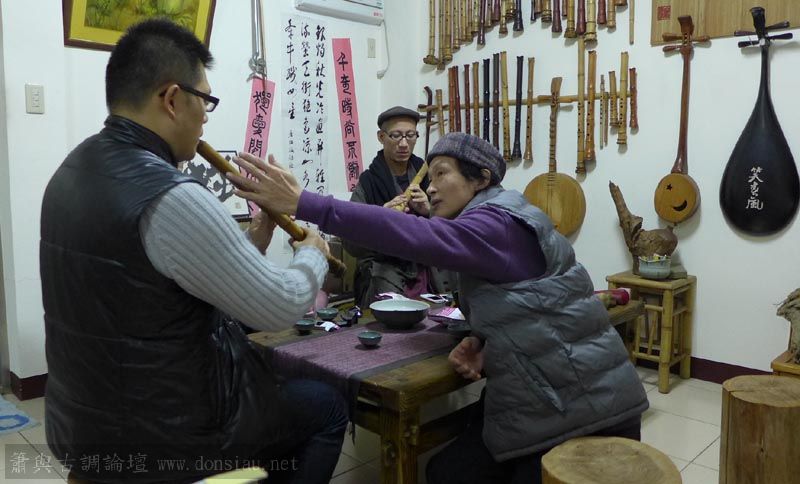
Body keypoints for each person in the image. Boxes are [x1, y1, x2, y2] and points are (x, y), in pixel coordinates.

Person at [227, 132, 650, 484]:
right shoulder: (502, 218)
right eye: (429, 176)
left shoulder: (496, 224)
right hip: (550, 394)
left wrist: (305, 203)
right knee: (447, 471)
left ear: (481, 179)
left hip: (582, 409)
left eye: (442, 173)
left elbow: (413, 235)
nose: (430, 187)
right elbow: (528, 304)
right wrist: (482, 340)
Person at [40, 19, 347, 484]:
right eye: (205, 101)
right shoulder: (171, 196)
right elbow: (280, 306)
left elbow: (157, 283)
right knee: (326, 406)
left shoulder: (72, 169)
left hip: (82, 423)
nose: (205, 116)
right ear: (171, 99)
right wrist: (315, 251)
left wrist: (255, 239)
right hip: (166, 435)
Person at [344, 106, 451, 307]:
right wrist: (380, 217)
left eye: (410, 136)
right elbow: (350, 242)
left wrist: (429, 211)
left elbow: (455, 229)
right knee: (389, 310)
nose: (403, 144)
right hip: (386, 269)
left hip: (427, 266)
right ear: (381, 137)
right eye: (395, 136)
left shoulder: (429, 175)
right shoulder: (368, 182)